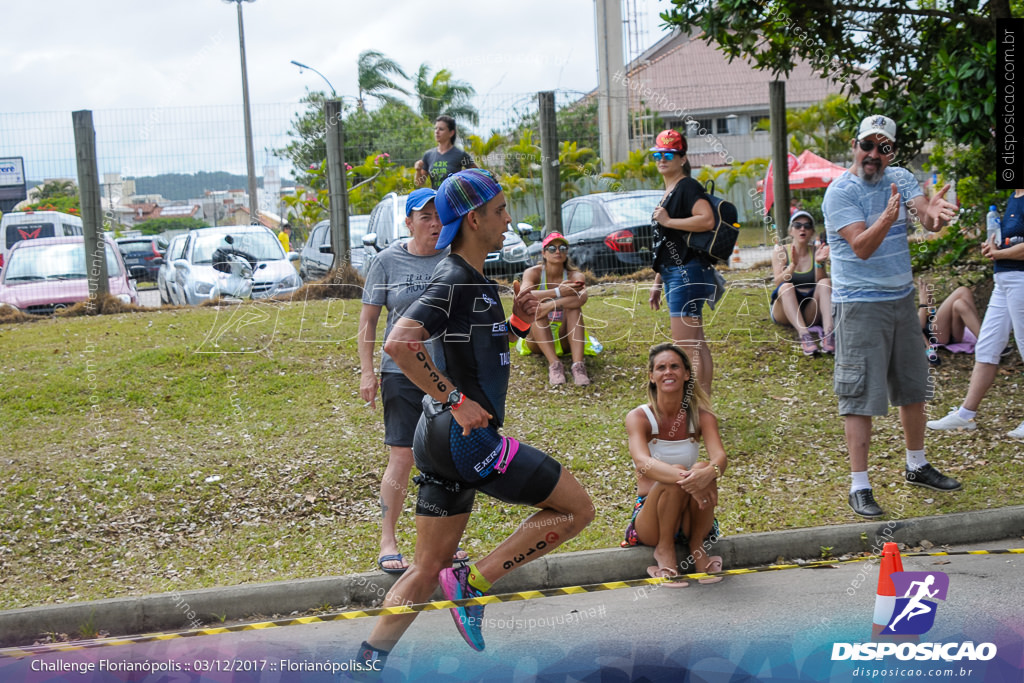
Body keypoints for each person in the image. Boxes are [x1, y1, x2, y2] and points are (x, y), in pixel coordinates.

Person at [358, 169, 594, 668]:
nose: (509, 220)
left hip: (437, 440)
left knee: (425, 570)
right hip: (466, 438)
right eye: (501, 210)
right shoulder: (454, 279)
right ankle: (474, 583)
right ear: (473, 218)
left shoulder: (476, 283)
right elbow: (400, 343)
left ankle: (364, 663)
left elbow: (485, 351)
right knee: (577, 510)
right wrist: (454, 398)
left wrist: (522, 321)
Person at [822, 114, 962, 519]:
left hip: (901, 299)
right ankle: (859, 486)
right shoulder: (839, 193)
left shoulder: (900, 177)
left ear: (892, 152)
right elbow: (861, 247)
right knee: (860, 395)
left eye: (883, 147)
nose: (873, 154)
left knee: (913, 386)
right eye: (867, 145)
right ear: (854, 145)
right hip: (860, 304)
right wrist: (888, 214)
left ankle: (916, 465)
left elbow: (928, 219)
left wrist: (934, 214)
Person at [358, 188, 467, 574]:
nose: (435, 224)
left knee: (447, 458)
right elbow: (369, 321)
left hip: (445, 376)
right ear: (409, 222)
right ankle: (388, 539)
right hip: (400, 373)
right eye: (425, 217)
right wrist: (368, 371)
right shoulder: (387, 261)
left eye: (439, 216)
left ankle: (442, 544)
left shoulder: (453, 260)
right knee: (402, 456)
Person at [623, 343, 727, 587]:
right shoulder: (639, 417)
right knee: (680, 476)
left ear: (686, 374)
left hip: (690, 517)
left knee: (704, 466)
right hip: (651, 519)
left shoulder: (702, 417)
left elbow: (720, 458)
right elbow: (642, 462)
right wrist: (688, 477)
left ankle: (697, 546)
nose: (668, 372)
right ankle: (664, 548)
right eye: (661, 367)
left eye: (674, 366)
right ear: (652, 376)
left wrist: (707, 473)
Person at [927, 188, 1024, 439]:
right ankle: (966, 414)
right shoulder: (1014, 198)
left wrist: (999, 253)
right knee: (987, 346)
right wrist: (993, 247)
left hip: (1020, 279)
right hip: (1003, 280)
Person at [646, 129, 718, 395]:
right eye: (657, 154)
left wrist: (668, 221)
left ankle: (695, 409)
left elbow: (706, 219)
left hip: (686, 273)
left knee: (686, 348)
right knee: (696, 343)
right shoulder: (671, 189)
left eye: (669, 154)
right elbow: (668, 243)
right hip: (676, 272)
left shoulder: (687, 186)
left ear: (682, 158)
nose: (662, 160)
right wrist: (657, 282)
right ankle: (704, 405)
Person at [520, 232, 590, 386]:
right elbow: (523, 295)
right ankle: (555, 365)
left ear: (566, 252)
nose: (557, 251)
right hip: (537, 338)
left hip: (565, 336)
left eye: (562, 247)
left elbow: (582, 298)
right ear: (543, 253)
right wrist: (558, 292)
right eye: (552, 248)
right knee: (535, 309)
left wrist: (550, 305)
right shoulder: (533, 273)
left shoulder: (574, 275)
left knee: (574, 309)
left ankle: (578, 366)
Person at [770, 211, 835, 355]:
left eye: (807, 226)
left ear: (812, 232)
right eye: (797, 225)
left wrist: (818, 263)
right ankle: (804, 336)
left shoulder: (816, 251)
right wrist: (793, 265)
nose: (802, 229)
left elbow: (821, 283)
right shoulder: (781, 251)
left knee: (826, 281)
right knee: (786, 286)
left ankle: (829, 334)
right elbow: (778, 282)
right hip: (785, 309)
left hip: (809, 309)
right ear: (791, 230)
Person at [917, 278, 982, 365]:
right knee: (963, 291)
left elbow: (930, 315)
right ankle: (987, 340)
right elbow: (918, 326)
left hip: (951, 334)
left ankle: (984, 338)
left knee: (959, 304)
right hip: (935, 334)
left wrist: (929, 299)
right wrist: (923, 302)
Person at [414, 115, 477, 189]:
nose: (437, 132)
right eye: (435, 128)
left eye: (441, 129)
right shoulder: (428, 155)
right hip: (436, 198)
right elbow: (419, 183)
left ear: (451, 133)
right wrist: (418, 170)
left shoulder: (460, 154)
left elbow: (477, 174)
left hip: (454, 198)